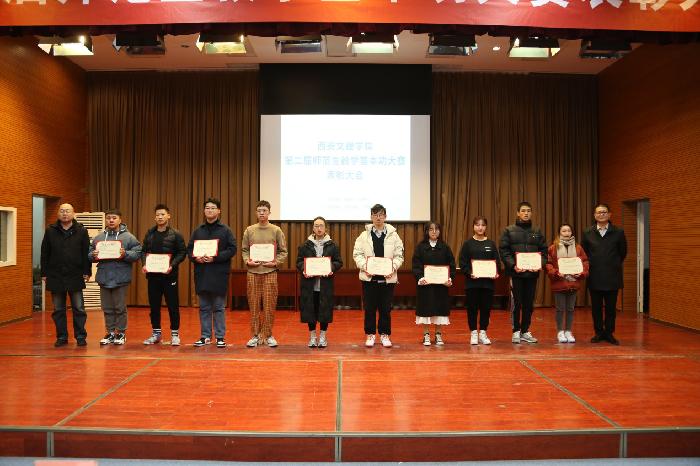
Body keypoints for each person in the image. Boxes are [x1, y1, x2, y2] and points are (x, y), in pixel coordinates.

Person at [187, 198, 237, 348]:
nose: (209, 210)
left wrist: (215, 257)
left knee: (219, 307)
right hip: (202, 273)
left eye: (213, 208)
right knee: (204, 307)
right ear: (204, 211)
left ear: (219, 211)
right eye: (207, 208)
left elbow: (232, 249)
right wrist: (196, 258)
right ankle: (205, 336)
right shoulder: (198, 231)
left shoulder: (225, 230)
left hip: (219, 274)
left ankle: (220, 337)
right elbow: (190, 250)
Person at [353, 204, 404, 348]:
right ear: (371, 217)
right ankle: (370, 334)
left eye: (381, 215)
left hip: (387, 279)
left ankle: (384, 334)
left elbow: (399, 255)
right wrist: (365, 267)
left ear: (385, 216)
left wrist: (392, 267)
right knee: (369, 309)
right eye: (375, 215)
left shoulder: (394, 235)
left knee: (385, 309)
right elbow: (357, 254)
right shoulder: (364, 235)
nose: (378, 218)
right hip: (369, 279)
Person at [40, 203, 92, 347]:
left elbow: (86, 253)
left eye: (67, 211)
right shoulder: (50, 230)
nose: (64, 213)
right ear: (58, 213)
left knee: (79, 308)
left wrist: (87, 271)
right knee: (58, 309)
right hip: (55, 275)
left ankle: (80, 336)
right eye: (62, 211)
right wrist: (44, 273)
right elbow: (44, 253)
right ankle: (62, 337)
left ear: (73, 213)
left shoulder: (81, 230)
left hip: (75, 274)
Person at [89, 209, 142, 346]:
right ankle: (110, 332)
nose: (111, 220)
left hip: (120, 277)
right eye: (108, 218)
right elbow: (89, 254)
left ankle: (121, 333)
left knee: (120, 308)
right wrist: (93, 255)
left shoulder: (128, 237)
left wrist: (125, 254)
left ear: (120, 220)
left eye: (114, 218)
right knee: (107, 308)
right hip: (104, 277)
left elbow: (138, 253)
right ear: (106, 220)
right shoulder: (99, 238)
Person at [241, 200, 288, 348]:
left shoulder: (276, 230)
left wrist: (275, 262)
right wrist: (247, 260)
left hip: (270, 272)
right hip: (252, 272)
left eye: (264, 210)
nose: (262, 213)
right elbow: (244, 250)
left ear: (269, 213)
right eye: (259, 210)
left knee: (269, 305)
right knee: (254, 305)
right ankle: (255, 335)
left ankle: (267, 335)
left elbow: (283, 251)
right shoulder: (249, 230)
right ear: (256, 213)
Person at [499, 201, 547, 344]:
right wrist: (513, 265)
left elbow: (544, 251)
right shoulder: (509, 230)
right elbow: (504, 251)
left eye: (528, 211)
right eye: (523, 211)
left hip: (532, 274)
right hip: (516, 274)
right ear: (518, 213)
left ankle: (525, 330)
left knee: (529, 303)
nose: (526, 213)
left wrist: (539, 264)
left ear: (531, 213)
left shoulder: (537, 231)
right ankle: (516, 331)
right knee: (517, 303)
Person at [141, 204, 187, 346]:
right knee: (154, 306)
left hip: (169, 277)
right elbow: (143, 251)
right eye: (157, 215)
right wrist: (144, 264)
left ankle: (175, 334)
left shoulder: (176, 234)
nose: (160, 217)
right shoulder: (150, 233)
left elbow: (182, 252)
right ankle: (156, 334)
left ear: (168, 216)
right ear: (155, 217)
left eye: (162, 214)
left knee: (173, 306)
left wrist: (172, 265)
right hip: (153, 277)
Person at [581, 203, 627, 345]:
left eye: (604, 212)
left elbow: (623, 253)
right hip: (594, 276)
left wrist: (612, 263)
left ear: (609, 214)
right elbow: (584, 254)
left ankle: (609, 333)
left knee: (611, 308)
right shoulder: (587, 232)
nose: (601, 214)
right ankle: (599, 332)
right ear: (594, 215)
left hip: (612, 276)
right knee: (596, 308)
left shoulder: (618, 232)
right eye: (599, 212)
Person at [296, 216, 343, 348]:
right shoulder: (305, 245)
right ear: (313, 228)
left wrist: (330, 268)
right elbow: (299, 262)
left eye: (321, 225)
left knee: (324, 311)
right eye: (316, 226)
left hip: (325, 285)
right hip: (309, 285)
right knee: (310, 310)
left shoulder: (332, 245)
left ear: (325, 228)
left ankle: (322, 336)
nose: (319, 228)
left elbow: (338, 262)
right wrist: (304, 269)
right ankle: (312, 336)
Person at [458, 216, 500, 345]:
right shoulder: (468, 244)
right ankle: (473, 333)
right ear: (473, 227)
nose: (480, 227)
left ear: (486, 227)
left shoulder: (491, 244)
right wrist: (470, 273)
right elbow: (463, 263)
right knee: (472, 308)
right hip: (472, 284)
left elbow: (497, 262)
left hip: (488, 284)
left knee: (486, 309)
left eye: (482, 225)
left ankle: (483, 332)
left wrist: (495, 272)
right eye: (477, 225)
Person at [412, 221, 455, 346]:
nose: (434, 232)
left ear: (440, 231)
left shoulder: (445, 247)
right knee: (425, 309)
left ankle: (438, 334)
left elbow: (451, 265)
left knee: (440, 310)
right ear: (426, 231)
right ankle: (426, 334)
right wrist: (420, 278)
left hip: (441, 286)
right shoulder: (420, 247)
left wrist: (449, 278)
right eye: (431, 229)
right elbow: (416, 265)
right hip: (425, 286)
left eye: (436, 229)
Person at [546, 224, 589, 343]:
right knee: (560, 309)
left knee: (570, 309)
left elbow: (585, 262)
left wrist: (581, 273)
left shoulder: (578, 248)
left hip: (573, 283)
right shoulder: (553, 248)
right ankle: (560, 331)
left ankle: (568, 331)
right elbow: (548, 264)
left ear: (572, 233)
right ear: (559, 233)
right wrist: (555, 272)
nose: (566, 233)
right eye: (564, 231)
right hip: (559, 283)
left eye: (569, 231)